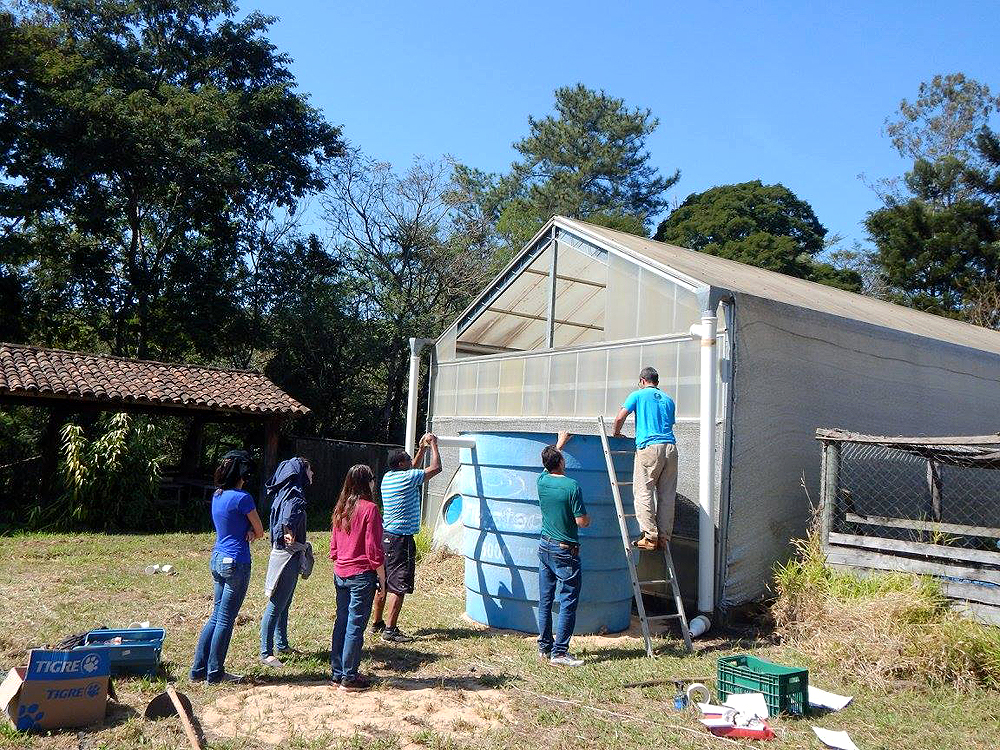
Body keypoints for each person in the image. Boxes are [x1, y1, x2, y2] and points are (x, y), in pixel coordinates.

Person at [191, 450, 265, 683]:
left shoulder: (218, 495)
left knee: (216, 616)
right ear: (243, 474)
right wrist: (251, 533)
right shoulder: (243, 498)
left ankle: (198, 670)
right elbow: (260, 530)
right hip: (237, 562)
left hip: (217, 558)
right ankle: (215, 673)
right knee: (225, 619)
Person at [370, 433, 442, 643]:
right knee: (398, 585)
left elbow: (412, 470)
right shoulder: (408, 477)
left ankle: (377, 624)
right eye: (409, 459)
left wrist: (422, 449)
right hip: (401, 540)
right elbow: (436, 469)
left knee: (382, 581)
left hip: (386, 536)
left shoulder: (389, 477)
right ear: (402, 463)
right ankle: (390, 631)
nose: (412, 462)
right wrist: (434, 446)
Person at [329, 464, 386, 692]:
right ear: (367, 482)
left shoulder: (341, 507)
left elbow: (333, 547)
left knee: (341, 623)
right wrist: (382, 578)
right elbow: (374, 550)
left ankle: (337, 673)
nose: (374, 483)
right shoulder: (370, 509)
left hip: (340, 572)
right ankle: (349, 677)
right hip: (361, 574)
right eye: (372, 479)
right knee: (355, 626)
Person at [536, 431, 590, 667]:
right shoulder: (572, 486)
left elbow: (547, 468)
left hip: (544, 546)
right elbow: (581, 521)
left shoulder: (541, 481)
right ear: (561, 461)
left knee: (545, 599)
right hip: (565, 550)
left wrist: (559, 444)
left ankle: (544, 647)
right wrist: (588, 519)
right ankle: (560, 653)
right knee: (568, 599)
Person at [613, 366, 678, 551]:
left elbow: (620, 418)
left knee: (644, 491)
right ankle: (664, 538)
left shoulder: (637, 395)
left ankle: (650, 537)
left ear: (642, 381)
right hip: (671, 449)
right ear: (657, 382)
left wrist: (616, 433)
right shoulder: (668, 399)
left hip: (650, 448)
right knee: (666, 495)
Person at [260, 457, 315, 668]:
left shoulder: (283, 493)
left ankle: (282, 644)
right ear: (302, 472)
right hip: (287, 556)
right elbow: (287, 518)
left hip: (285, 553)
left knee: (285, 603)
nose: (312, 475)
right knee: (276, 604)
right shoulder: (295, 496)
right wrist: (289, 532)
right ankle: (266, 652)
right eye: (310, 470)